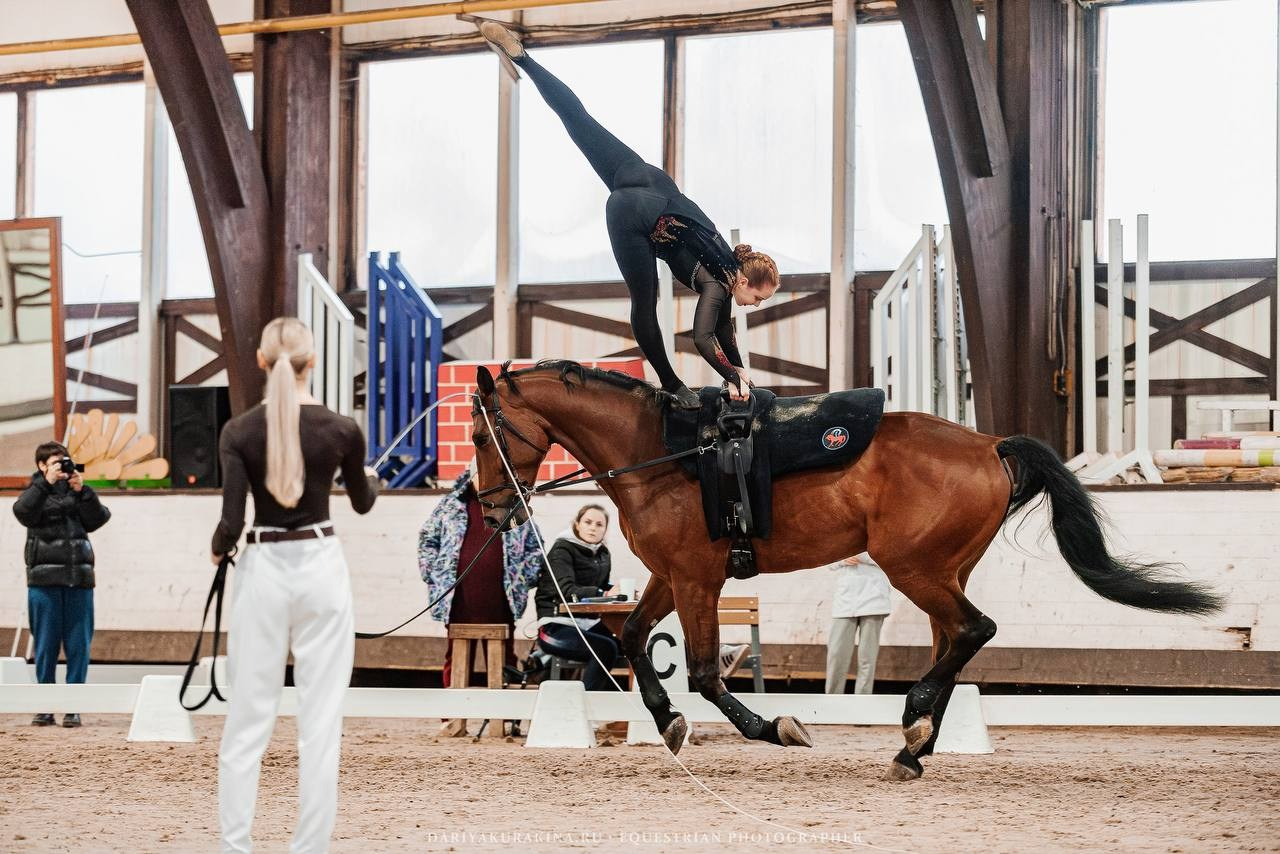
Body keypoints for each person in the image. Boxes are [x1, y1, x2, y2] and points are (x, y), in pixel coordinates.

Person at [476, 20, 781, 409]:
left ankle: (523, 59)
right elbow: (704, 338)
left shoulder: (723, 260)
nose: (755, 304)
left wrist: (739, 371)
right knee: (644, 303)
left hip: (650, 180)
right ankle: (672, 384)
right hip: (635, 216)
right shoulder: (720, 285)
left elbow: (724, 330)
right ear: (745, 280)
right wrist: (733, 376)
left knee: (579, 120)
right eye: (758, 297)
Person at [210, 317, 380, 854]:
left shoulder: (238, 431)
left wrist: (217, 549)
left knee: (247, 718)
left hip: (263, 566)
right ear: (314, 362)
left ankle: (235, 845)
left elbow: (231, 523)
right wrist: (370, 477)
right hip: (321, 564)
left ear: (261, 361)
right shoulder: (342, 430)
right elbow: (362, 502)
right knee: (321, 722)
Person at [418, 467, 542, 736]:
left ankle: (505, 718)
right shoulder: (451, 504)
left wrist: (524, 577)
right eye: (479, 474)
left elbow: (536, 547)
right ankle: (451, 719)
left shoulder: (514, 506)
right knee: (455, 656)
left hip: (501, 598)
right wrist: (432, 572)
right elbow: (428, 538)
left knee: (505, 657)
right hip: (459, 598)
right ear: (470, 477)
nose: (484, 480)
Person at [12, 441, 111, 728]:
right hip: (44, 582)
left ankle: (73, 706)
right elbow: (22, 512)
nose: (62, 467)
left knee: (79, 646)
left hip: (79, 581)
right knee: (45, 646)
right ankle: (44, 707)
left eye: (65, 461)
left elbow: (98, 519)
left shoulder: (77, 492)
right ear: (42, 465)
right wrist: (45, 484)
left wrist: (84, 491)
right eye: (56, 462)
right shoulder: (35, 492)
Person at [534, 504, 620, 690]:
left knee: (627, 640)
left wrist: (619, 592)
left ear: (605, 529)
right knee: (605, 648)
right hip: (555, 625)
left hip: (587, 624)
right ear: (577, 524)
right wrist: (603, 594)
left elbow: (601, 587)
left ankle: (618, 702)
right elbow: (566, 590)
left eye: (599, 524)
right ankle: (587, 703)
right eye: (588, 522)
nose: (593, 528)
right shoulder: (562, 550)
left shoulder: (603, 553)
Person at [825, 553, 892, 695]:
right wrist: (842, 559)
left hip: (874, 599)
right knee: (836, 655)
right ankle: (832, 698)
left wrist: (862, 556)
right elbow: (826, 559)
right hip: (845, 601)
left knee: (867, 658)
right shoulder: (842, 540)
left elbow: (889, 557)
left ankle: (863, 699)